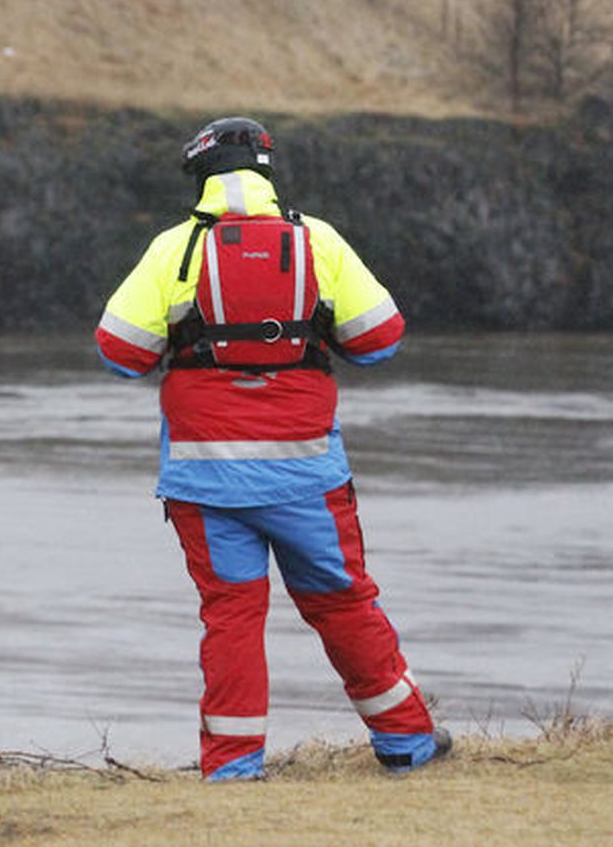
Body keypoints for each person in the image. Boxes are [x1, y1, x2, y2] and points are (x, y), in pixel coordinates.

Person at [94, 116, 449, 782]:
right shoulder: (319, 241)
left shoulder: (173, 250)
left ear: (200, 175)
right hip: (308, 475)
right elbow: (382, 339)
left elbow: (118, 352)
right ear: (265, 170)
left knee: (230, 616)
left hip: (205, 480)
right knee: (344, 604)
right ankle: (406, 741)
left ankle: (232, 765)